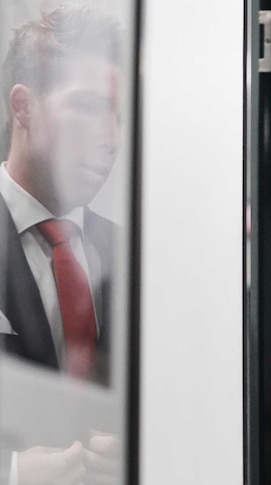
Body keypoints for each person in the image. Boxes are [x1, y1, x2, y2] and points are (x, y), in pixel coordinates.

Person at [0, 4, 124, 484]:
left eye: (118, 116)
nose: (112, 138)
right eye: (90, 107)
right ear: (23, 106)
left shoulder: (131, 258)